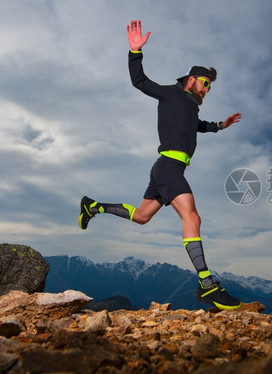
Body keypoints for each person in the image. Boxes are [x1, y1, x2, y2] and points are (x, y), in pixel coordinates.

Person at [79, 20, 243, 310]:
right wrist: (135, 52)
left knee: (142, 216)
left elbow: (199, 126)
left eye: (209, 87)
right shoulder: (170, 93)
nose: (207, 90)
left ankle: (94, 206)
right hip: (168, 167)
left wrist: (221, 125)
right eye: (206, 84)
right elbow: (139, 82)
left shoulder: (192, 107)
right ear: (192, 78)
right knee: (192, 218)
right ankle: (206, 284)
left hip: (166, 169)